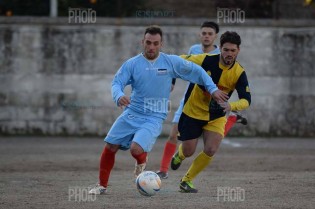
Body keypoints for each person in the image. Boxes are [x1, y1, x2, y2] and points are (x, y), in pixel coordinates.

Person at [88, 25, 228, 195]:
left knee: (136, 149)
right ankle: (102, 186)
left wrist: (212, 89)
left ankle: (141, 161)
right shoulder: (132, 64)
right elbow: (117, 82)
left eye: (155, 43)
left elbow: (197, 71)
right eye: (148, 43)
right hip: (132, 113)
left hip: (153, 117)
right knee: (110, 145)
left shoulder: (170, 62)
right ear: (143, 42)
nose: (151, 47)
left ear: (161, 44)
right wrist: (118, 95)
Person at [156, 22, 247, 179]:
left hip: (214, 111)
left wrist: (230, 105)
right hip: (191, 102)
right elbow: (180, 63)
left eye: (209, 33)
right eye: (204, 33)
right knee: (180, 141)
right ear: (200, 34)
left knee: (211, 147)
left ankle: (187, 180)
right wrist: (162, 71)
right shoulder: (198, 53)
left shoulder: (234, 67)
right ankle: (166, 167)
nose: (206, 36)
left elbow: (246, 99)